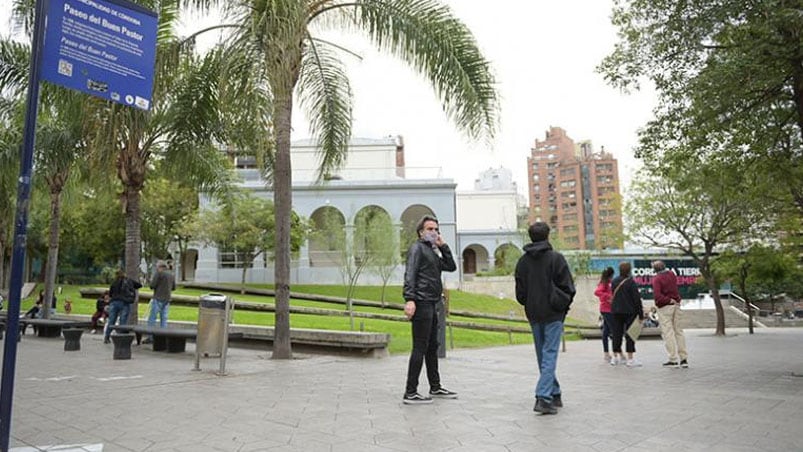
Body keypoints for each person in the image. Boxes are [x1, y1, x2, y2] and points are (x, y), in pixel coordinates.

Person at [515, 222, 575, 415]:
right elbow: (568, 287)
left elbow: (520, 293)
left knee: (543, 354)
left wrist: (530, 302)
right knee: (549, 354)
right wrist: (561, 304)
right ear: (548, 235)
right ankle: (543, 397)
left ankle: (554, 392)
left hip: (533, 312)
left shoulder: (523, 262)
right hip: (553, 313)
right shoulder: (556, 259)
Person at [402, 215, 457, 405]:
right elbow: (410, 273)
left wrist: (443, 247)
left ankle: (435, 386)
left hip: (433, 303)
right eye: (430, 229)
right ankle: (410, 392)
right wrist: (410, 299)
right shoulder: (417, 249)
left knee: (432, 346)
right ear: (421, 232)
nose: (434, 232)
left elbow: (451, 266)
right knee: (420, 347)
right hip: (421, 302)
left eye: (436, 229)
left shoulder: (432, 251)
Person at [651, 260, 688, 368]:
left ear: (655, 269)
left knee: (668, 333)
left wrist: (667, 300)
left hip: (665, 308)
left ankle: (673, 359)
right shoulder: (671, 274)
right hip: (677, 305)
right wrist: (674, 300)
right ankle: (684, 359)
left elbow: (658, 296)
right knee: (679, 332)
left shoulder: (657, 279)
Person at [609, 262, 644, 367]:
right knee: (631, 335)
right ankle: (630, 359)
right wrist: (640, 314)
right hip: (630, 312)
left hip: (616, 311)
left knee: (616, 334)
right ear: (629, 270)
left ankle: (615, 357)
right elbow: (636, 299)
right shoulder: (631, 282)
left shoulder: (614, 281)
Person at [104, 269, 142, 344]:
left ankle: (107, 337)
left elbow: (111, 294)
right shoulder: (128, 281)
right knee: (123, 321)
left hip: (114, 302)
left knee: (111, 321)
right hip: (124, 303)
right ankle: (120, 338)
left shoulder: (114, 282)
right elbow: (139, 285)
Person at [143, 260, 176, 344]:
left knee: (152, 318)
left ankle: (150, 337)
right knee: (164, 319)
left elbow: (152, 285)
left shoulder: (159, 274)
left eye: (157, 267)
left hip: (158, 298)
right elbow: (173, 288)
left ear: (160, 267)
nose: (157, 268)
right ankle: (163, 337)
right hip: (167, 299)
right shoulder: (171, 275)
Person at [594, 267, 615, 363]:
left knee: (606, 331)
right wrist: (608, 297)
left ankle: (606, 354)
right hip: (606, 309)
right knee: (613, 331)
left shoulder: (609, 282)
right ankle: (616, 352)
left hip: (608, 309)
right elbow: (597, 292)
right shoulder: (604, 283)